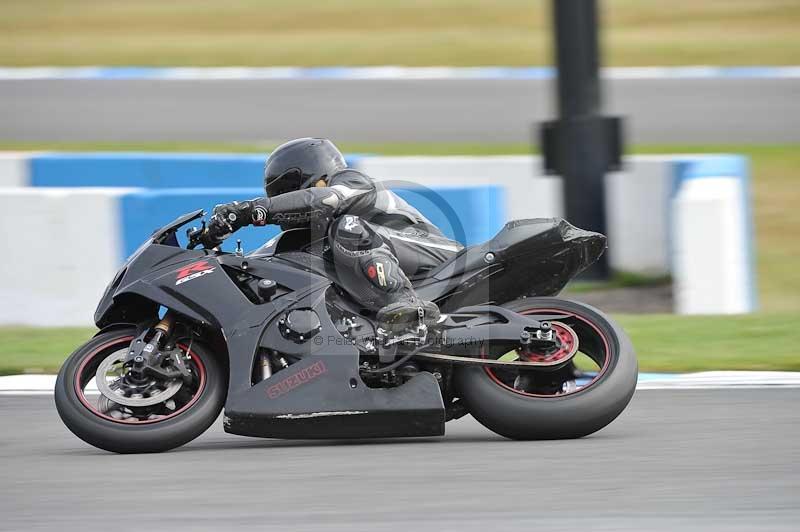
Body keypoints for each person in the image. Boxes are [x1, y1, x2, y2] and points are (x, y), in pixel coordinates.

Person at [204, 138, 462, 332]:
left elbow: (325, 200)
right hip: (399, 263)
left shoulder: (351, 182)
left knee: (348, 228)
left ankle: (405, 303)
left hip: (439, 257)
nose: (285, 204)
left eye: (285, 195)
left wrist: (253, 210)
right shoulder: (325, 232)